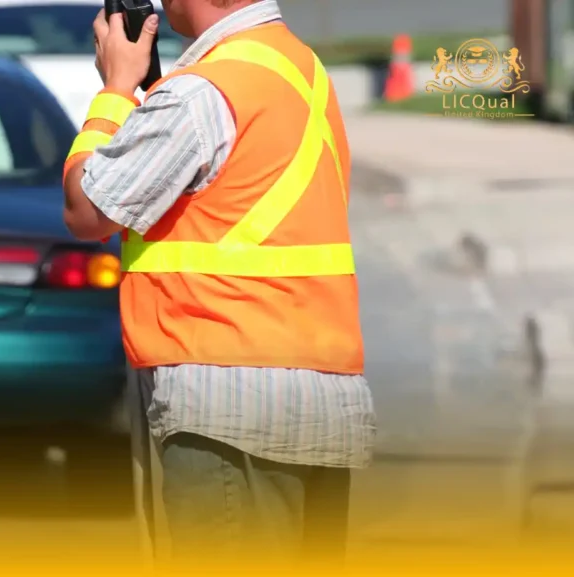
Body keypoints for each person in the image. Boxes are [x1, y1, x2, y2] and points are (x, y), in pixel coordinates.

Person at [60, 0, 376, 569]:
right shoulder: (300, 70)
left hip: (229, 402)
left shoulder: (205, 91)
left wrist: (116, 89)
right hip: (323, 396)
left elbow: (87, 208)